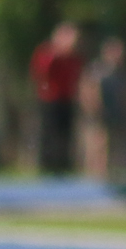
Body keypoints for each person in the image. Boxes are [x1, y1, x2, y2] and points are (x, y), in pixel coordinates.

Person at [31, 21, 84, 176]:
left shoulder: (73, 57)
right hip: (50, 99)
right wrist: (57, 54)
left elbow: (77, 75)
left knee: (65, 134)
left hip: (67, 99)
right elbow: (41, 72)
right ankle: (47, 167)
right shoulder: (47, 52)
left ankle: (63, 165)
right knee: (49, 134)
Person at [81, 36, 126, 180]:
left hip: (116, 113)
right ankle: (95, 174)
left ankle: (113, 173)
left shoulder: (119, 72)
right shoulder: (97, 69)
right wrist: (92, 107)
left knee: (116, 145)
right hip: (99, 113)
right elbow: (88, 89)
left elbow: (124, 94)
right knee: (98, 143)